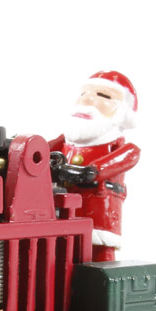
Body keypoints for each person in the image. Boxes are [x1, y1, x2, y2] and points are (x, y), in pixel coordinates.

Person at [50, 71, 140, 262]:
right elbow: (41, 151)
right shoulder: (66, 140)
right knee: (62, 252)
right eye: (83, 94)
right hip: (63, 208)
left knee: (100, 252)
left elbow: (125, 158)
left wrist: (90, 172)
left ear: (122, 113)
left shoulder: (118, 145)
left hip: (98, 210)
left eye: (103, 96)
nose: (87, 100)